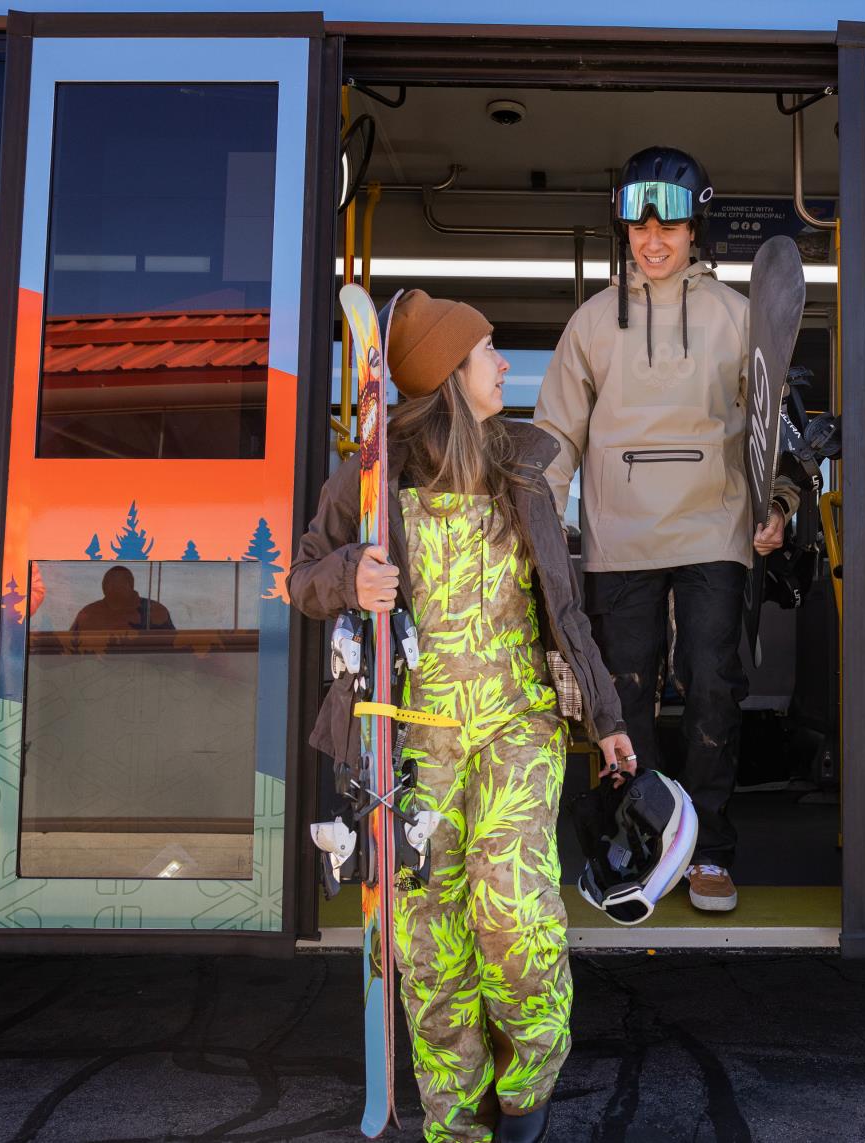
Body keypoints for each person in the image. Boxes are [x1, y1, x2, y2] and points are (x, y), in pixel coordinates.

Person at [288, 292, 634, 1143]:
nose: (504, 366)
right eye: (488, 351)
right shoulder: (372, 478)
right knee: (433, 946)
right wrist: (349, 577)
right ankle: (456, 1119)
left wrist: (609, 716)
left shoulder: (523, 471)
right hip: (410, 738)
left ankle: (527, 1097)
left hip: (517, 723)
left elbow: (565, 608)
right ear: (449, 374)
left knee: (512, 914)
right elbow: (301, 576)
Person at [534, 145, 799, 913]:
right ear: (623, 226)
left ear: (695, 227)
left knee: (714, 687)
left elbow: (772, 427)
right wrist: (544, 529)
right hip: (620, 538)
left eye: (670, 225)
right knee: (620, 700)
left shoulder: (736, 316)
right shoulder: (590, 325)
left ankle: (710, 848)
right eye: (639, 224)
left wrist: (774, 505)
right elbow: (554, 439)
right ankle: (643, 847)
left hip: (716, 530)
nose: (653, 240)